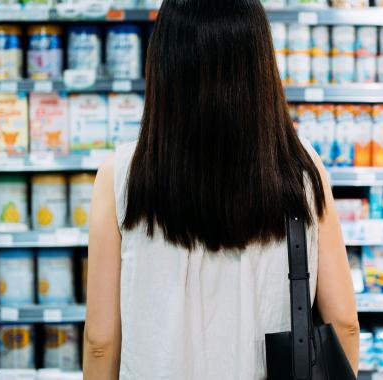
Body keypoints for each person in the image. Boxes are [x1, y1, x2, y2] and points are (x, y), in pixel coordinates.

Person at [82, 0, 360, 378]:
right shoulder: (301, 169)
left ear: (163, 63)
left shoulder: (119, 175)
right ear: (260, 65)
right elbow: (344, 323)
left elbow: (101, 341)